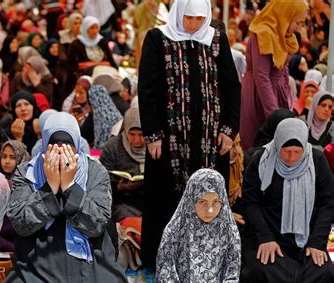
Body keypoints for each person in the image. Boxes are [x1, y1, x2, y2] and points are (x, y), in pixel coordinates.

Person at [0, 112, 131, 283]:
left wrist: (71, 187)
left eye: (67, 147)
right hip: (40, 259)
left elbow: (96, 223)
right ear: (44, 145)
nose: (60, 154)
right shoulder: (26, 173)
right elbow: (20, 223)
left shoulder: (95, 173)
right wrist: (50, 189)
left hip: (90, 261)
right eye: (54, 146)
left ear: (77, 145)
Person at [138, 0, 241, 267]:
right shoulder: (158, 39)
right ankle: (164, 262)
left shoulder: (215, 39)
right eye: (188, 18)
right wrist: (152, 133)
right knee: (166, 200)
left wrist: (229, 130)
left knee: (208, 196)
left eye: (198, 18)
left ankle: (209, 262)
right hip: (170, 141)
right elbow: (147, 89)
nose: (194, 25)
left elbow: (231, 86)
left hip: (210, 140)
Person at [148, 169, 240, 283]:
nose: (210, 210)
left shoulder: (228, 229)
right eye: (202, 202)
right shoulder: (175, 229)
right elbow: (166, 275)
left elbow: (232, 273)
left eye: (216, 202)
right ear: (191, 199)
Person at [241, 118, 334, 283]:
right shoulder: (261, 159)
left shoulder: (317, 160)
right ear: (278, 145)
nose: (291, 158)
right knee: (260, 270)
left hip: (304, 242)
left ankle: (292, 278)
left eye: (297, 151)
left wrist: (316, 242)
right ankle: (295, 278)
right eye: (286, 151)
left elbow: (328, 203)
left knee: (326, 272)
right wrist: (265, 238)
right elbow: (250, 202)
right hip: (269, 239)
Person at [239, 0, 308, 149]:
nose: (299, 27)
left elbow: (283, 68)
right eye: (297, 22)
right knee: (260, 144)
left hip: (276, 92)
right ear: (285, 15)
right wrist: (274, 115)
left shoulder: (283, 34)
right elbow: (261, 76)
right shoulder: (263, 33)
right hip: (260, 95)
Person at [100, 108, 145, 222]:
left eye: (141, 135)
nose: (137, 140)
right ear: (125, 131)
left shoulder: (154, 147)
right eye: (132, 134)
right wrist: (119, 187)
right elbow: (101, 183)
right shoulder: (112, 148)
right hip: (121, 202)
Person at [66, 16, 117, 94]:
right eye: (92, 28)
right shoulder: (76, 44)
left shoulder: (102, 41)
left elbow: (111, 60)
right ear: (85, 29)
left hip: (105, 72)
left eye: (96, 28)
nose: (95, 31)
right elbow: (71, 66)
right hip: (85, 75)